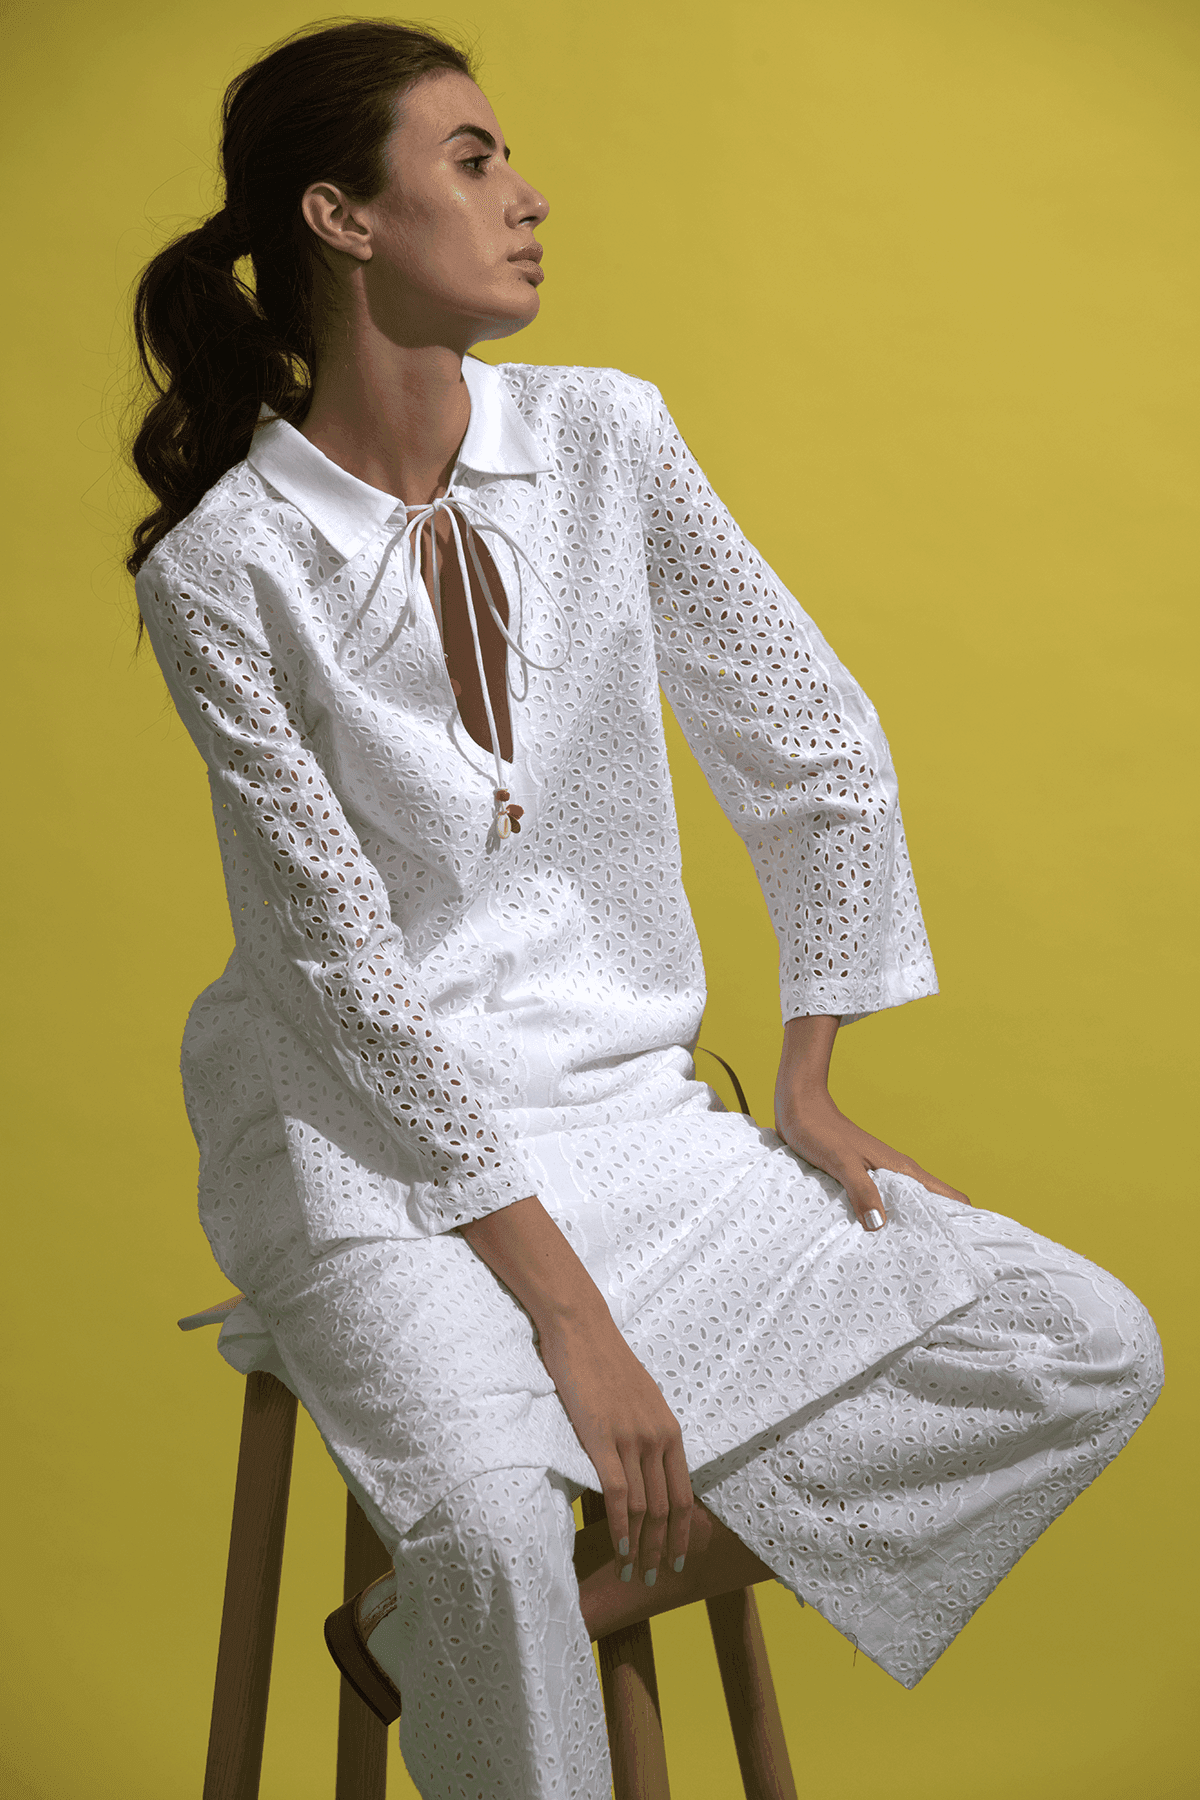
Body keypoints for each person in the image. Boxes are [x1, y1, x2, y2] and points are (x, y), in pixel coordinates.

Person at [128, 19, 1163, 1799]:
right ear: (341, 217)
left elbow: (815, 743)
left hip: (627, 1120)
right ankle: (495, 1606)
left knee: (1077, 1341)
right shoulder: (225, 567)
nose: (527, 197)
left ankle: (499, 1624)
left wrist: (810, 1077)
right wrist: (571, 1320)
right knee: (481, 1528)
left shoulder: (606, 435)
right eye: (472, 160)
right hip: (365, 1156)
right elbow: (339, 978)